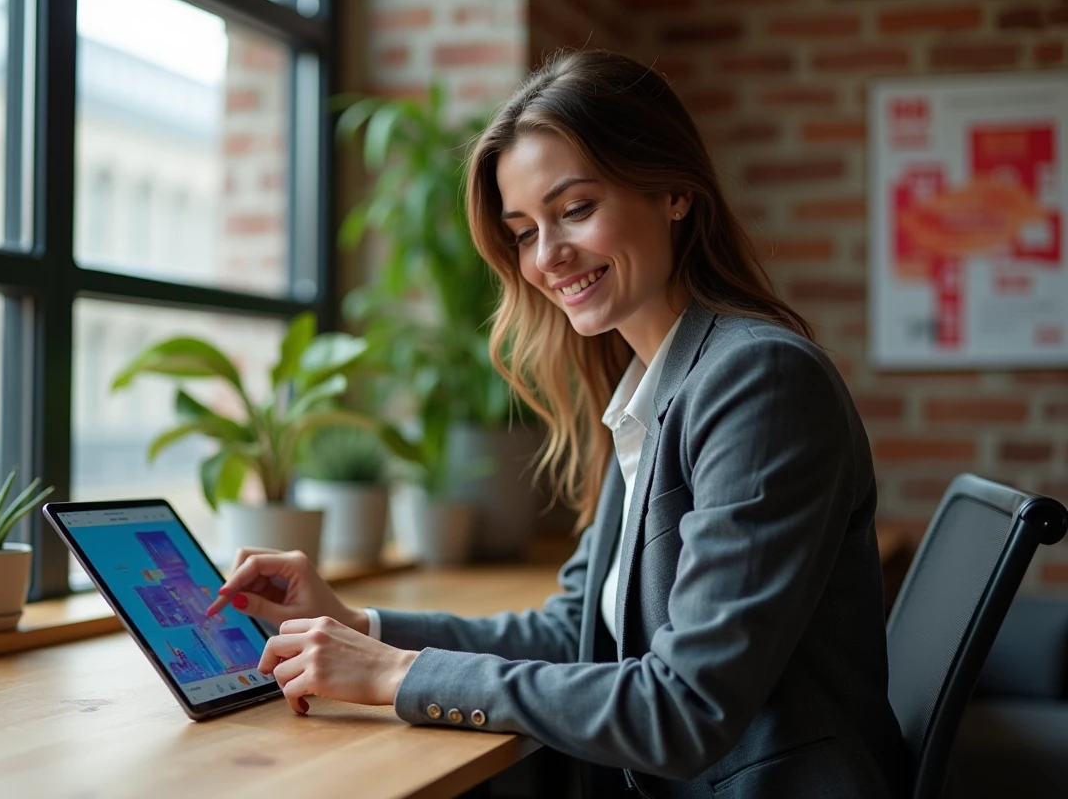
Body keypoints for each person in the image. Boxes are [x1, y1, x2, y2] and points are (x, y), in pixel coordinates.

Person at [206, 49, 913, 798]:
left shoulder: (757, 382)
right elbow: (576, 632)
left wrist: (397, 676)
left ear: (674, 191)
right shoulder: (651, 385)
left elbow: (686, 709)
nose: (547, 257)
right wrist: (361, 627)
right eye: (522, 229)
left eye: (575, 209)